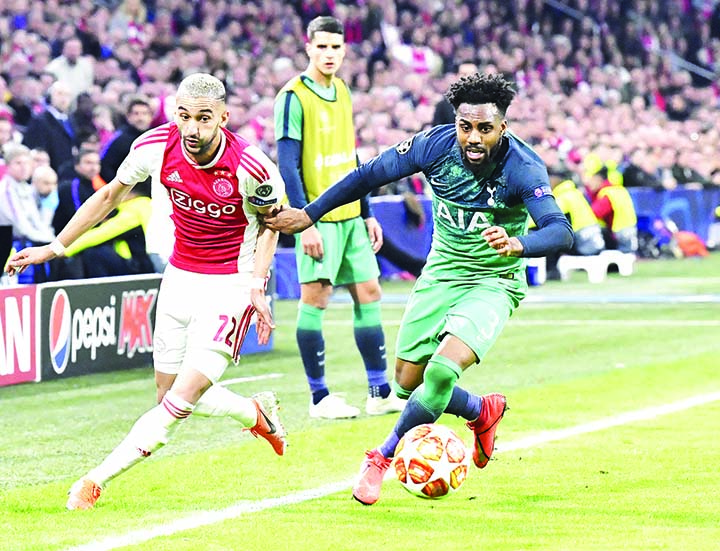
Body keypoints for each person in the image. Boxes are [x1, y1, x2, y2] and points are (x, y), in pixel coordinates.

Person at [265, 73, 574, 505]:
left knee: (442, 372)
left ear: (502, 127)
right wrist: (311, 213)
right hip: (440, 274)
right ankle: (481, 410)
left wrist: (518, 244)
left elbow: (561, 232)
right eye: (466, 126)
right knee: (408, 384)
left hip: (493, 280)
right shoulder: (434, 146)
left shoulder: (523, 168)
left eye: (485, 128)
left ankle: (381, 457)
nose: (473, 137)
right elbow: (368, 175)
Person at [6, 73, 287, 510]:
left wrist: (256, 285)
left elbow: (273, 223)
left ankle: (94, 480)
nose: (192, 129)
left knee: (178, 401)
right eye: (185, 117)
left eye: (204, 118)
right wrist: (56, 246)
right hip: (178, 279)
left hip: (229, 285)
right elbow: (110, 196)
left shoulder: (252, 167)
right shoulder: (155, 145)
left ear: (224, 117)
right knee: (167, 394)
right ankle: (255, 414)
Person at [273, 16, 404, 419]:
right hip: (318, 218)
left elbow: (351, 160)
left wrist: (366, 211)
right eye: (322, 46)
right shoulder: (293, 97)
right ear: (308, 47)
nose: (329, 54)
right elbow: (288, 165)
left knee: (369, 293)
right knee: (317, 298)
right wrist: (305, 220)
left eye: (336, 47)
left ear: (344, 50)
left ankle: (379, 391)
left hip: (350, 217)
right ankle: (319, 398)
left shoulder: (343, 91)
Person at [543, 171, 605, 279]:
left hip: (583, 243)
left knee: (551, 240)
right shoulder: (575, 193)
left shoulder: (563, 197)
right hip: (595, 241)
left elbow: (548, 216)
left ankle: (552, 272)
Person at [585, 166, 638, 254]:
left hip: (619, 233)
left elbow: (594, 214)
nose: (588, 185)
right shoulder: (617, 189)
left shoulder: (607, 193)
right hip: (629, 230)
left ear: (598, 179)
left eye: (591, 181)